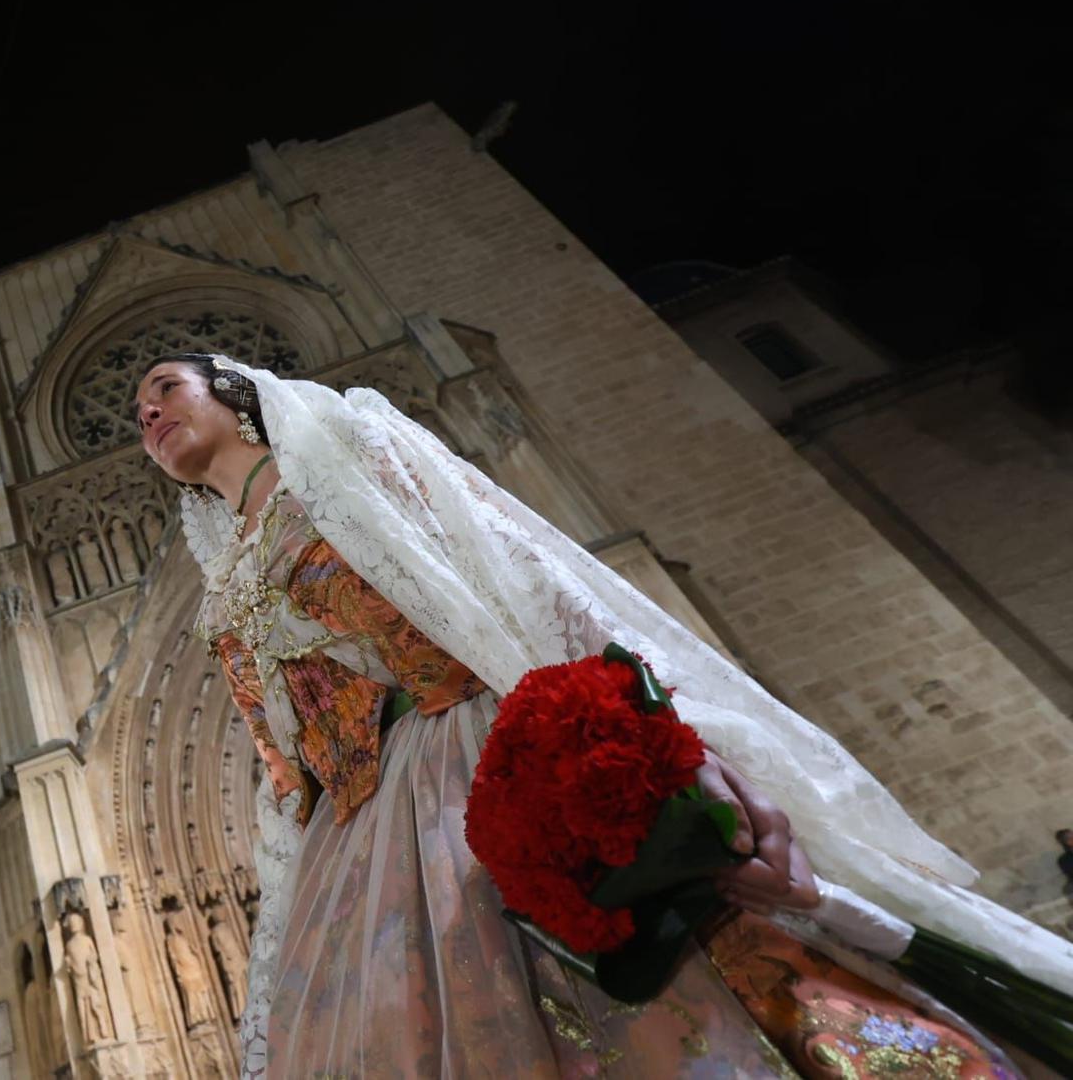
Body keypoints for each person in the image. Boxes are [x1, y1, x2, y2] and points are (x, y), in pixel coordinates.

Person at [135, 353, 1073, 1078]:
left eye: (167, 386)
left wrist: (654, 723)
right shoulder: (224, 599)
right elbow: (283, 759)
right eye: (140, 416)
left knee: (679, 965)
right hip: (368, 829)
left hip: (485, 739)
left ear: (235, 392)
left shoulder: (341, 446)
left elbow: (513, 571)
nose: (152, 411)